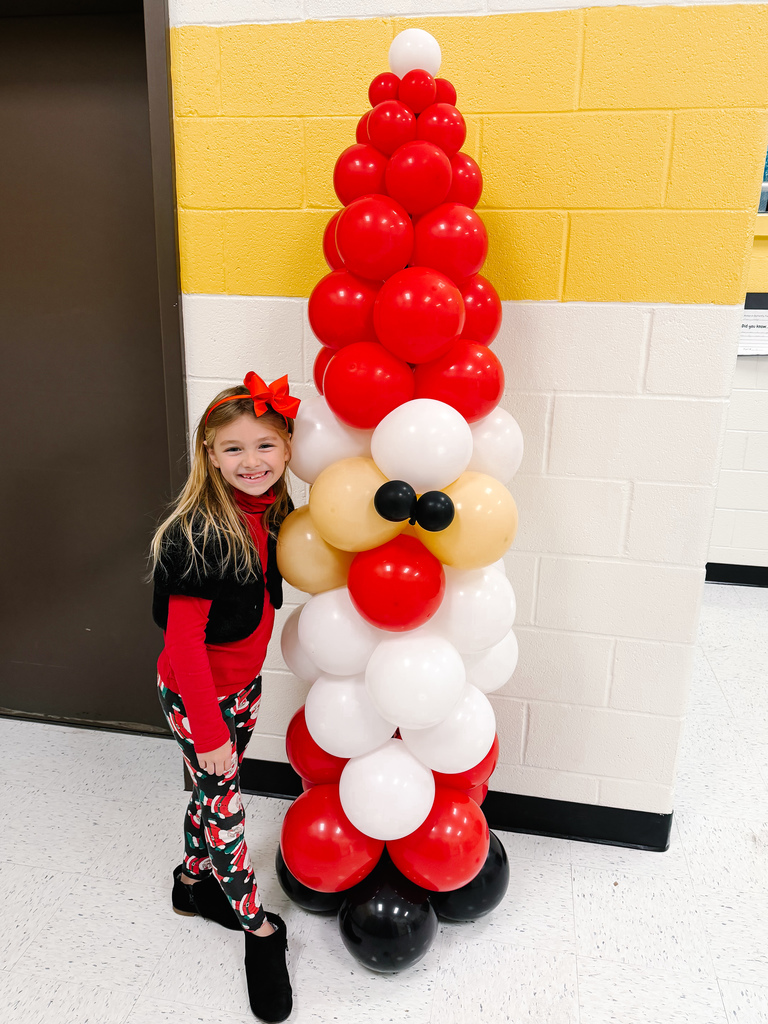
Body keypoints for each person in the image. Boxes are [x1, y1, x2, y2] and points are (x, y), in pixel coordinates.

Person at [150, 372, 299, 1024]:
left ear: (288, 450)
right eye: (233, 449)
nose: (251, 462)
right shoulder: (199, 532)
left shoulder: (276, 514)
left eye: (265, 445)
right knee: (226, 811)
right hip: (198, 698)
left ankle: (190, 885)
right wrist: (208, 734)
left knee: (206, 795)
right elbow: (184, 647)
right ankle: (256, 930)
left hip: (240, 690)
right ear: (209, 454)